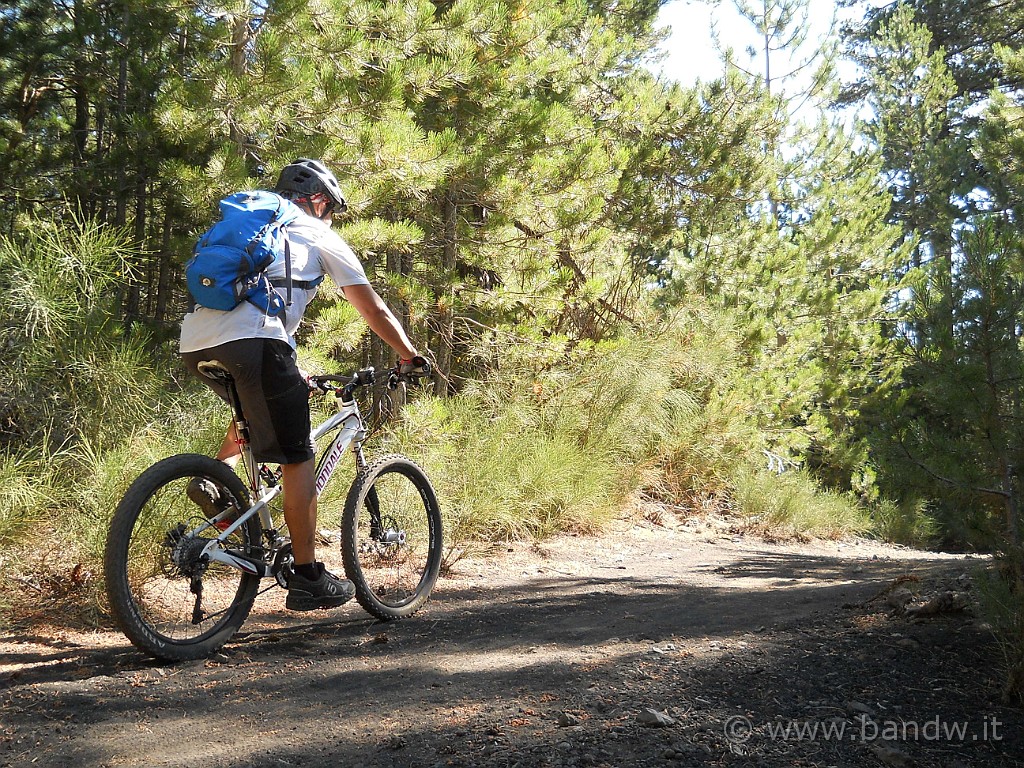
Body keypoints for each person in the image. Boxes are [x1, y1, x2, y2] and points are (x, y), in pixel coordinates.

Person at [179, 158, 428, 611]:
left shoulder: (255, 224)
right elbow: (372, 309)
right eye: (330, 207)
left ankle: (216, 480)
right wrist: (408, 355)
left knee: (252, 418)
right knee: (297, 458)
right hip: (256, 340)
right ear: (317, 200)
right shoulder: (317, 232)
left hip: (196, 343)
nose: (330, 216)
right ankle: (309, 575)